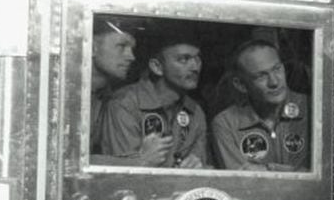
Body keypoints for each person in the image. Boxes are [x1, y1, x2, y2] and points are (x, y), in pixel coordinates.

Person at [100, 26, 208, 168]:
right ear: (157, 67)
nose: (195, 67)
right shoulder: (125, 103)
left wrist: (197, 164)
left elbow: (201, 163)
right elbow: (120, 173)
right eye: (184, 59)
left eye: (197, 59)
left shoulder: (195, 111)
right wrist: (141, 160)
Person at [211, 39, 310, 171]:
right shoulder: (226, 123)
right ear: (240, 85)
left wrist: (267, 169)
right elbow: (242, 183)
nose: (274, 82)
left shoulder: (312, 109)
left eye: (277, 69)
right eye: (261, 76)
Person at [90, 17, 137, 156]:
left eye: (131, 49)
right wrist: (140, 162)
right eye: (121, 46)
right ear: (92, 48)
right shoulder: (65, 94)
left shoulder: (110, 98)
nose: (131, 56)